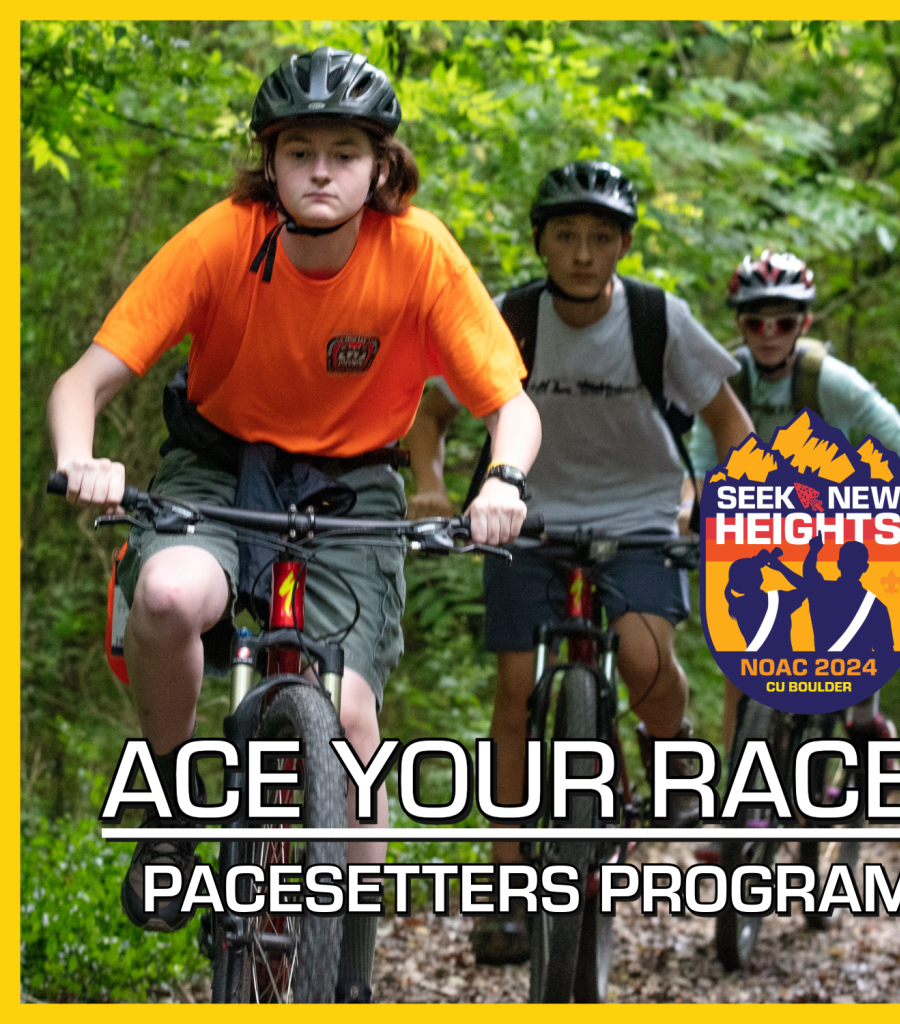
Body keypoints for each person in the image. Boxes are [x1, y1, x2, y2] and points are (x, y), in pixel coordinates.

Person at [46, 47, 541, 1002]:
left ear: (380, 167)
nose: (321, 169)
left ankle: (337, 957)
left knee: (351, 720)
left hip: (353, 487)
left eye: (345, 151)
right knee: (166, 592)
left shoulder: (420, 252)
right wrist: (83, 457)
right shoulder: (226, 238)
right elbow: (86, 379)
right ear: (268, 162)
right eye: (299, 149)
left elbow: (508, 405)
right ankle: (174, 797)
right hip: (219, 465)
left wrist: (503, 480)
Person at [406, 160, 753, 965]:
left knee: (644, 660)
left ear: (624, 245)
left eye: (601, 238)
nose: (584, 253)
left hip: (639, 514)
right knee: (512, 690)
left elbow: (730, 425)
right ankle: (504, 886)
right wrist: (428, 482)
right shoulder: (511, 317)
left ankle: (671, 759)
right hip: (523, 513)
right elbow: (432, 414)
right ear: (543, 243)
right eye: (567, 236)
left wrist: (728, 501)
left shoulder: (658, 319)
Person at [688, 249, 900, 832]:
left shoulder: (832, 382)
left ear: (806, 323)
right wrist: (686, 520)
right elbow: (699, 474)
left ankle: (863, 719)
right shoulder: (726, 382)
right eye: (755, 322)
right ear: (738, 325)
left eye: (784, 321)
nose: (769, 334)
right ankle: (743, 801)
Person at [726, 547, 808, 651]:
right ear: (758, 576)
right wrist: (780, 567)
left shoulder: (737, 606)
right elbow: (807, 587)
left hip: (755, 665)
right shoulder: (779, 600)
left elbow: (729, 588)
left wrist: (756, 563)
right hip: (783, 665)